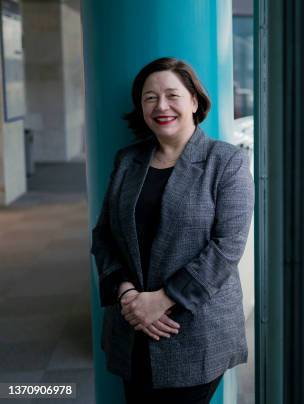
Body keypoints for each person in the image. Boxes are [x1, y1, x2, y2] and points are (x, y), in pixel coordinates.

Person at [91, 57, 254, 404]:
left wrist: (163, 301)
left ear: (194, 101)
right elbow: (103, 235)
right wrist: (128, 296)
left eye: (172, 95)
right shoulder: (127, 161)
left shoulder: (226, 162)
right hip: (132, 325)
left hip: (193, 331)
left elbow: (227, 247)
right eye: (150, 98)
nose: (161, 106)